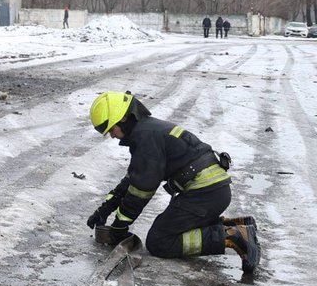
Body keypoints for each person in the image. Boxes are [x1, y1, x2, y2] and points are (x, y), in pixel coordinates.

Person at [85, 91, 260, 271]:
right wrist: (105, 209)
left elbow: (140, 191)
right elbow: (134, 178)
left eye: (111, 129)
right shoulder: (148, 131)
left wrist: (119, 227)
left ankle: (233, 236)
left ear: (123, 119)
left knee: (160, 241)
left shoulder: (145, 138)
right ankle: (234, 225)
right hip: (212, 193)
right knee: (170, 229)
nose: (112, 136)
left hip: (205, 194)